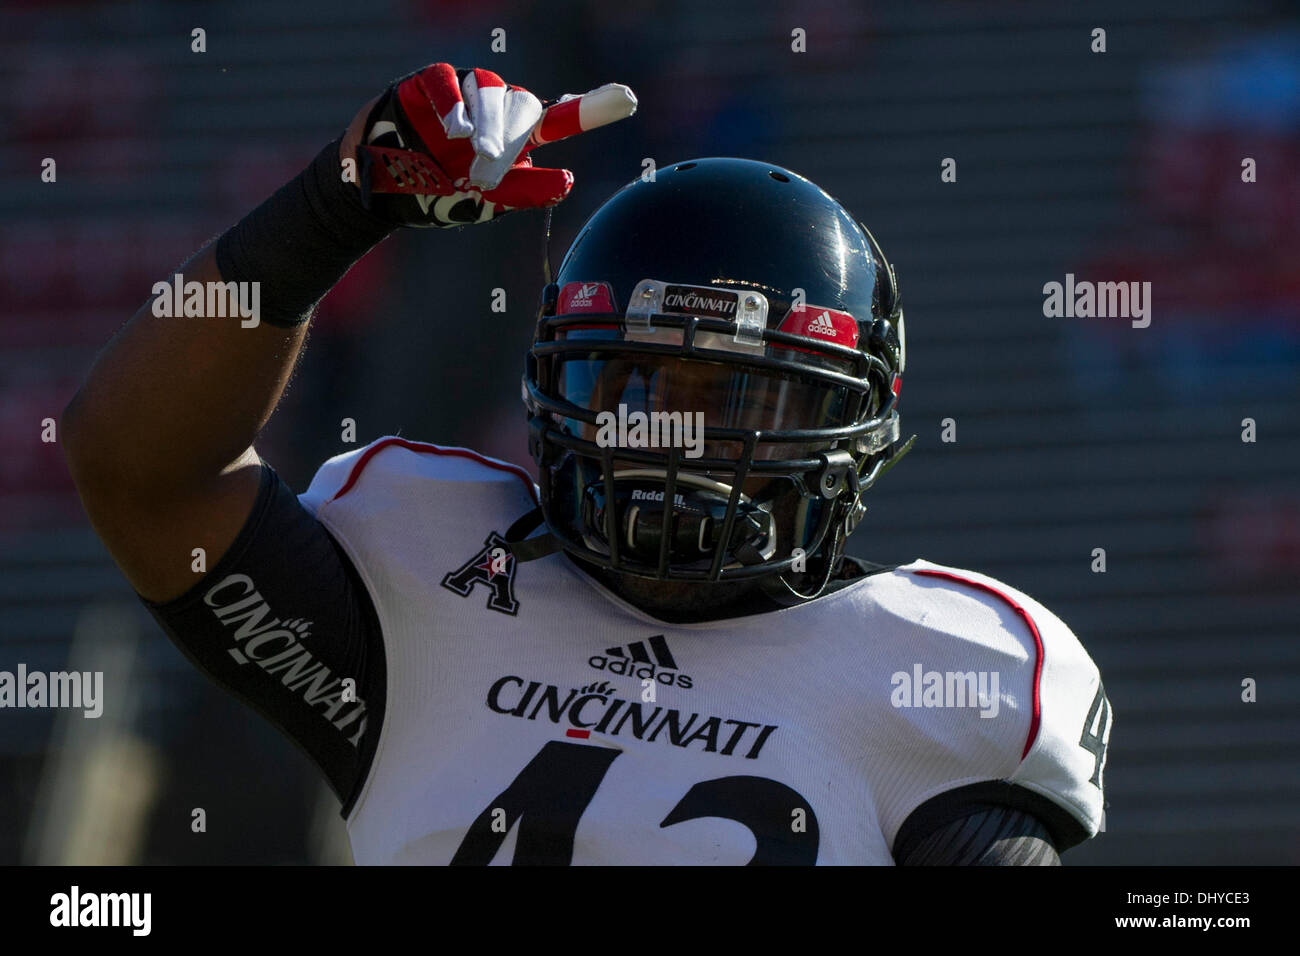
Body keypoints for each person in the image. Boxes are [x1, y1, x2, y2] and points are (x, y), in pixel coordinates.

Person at [61, 62, 1111, 865]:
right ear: (557, 388)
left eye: (738, 402)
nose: (673, 440)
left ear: (854, 428)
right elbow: (140, 469)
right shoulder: (431, 584)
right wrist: (338, 202)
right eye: (633, 385)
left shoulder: (937, 673)